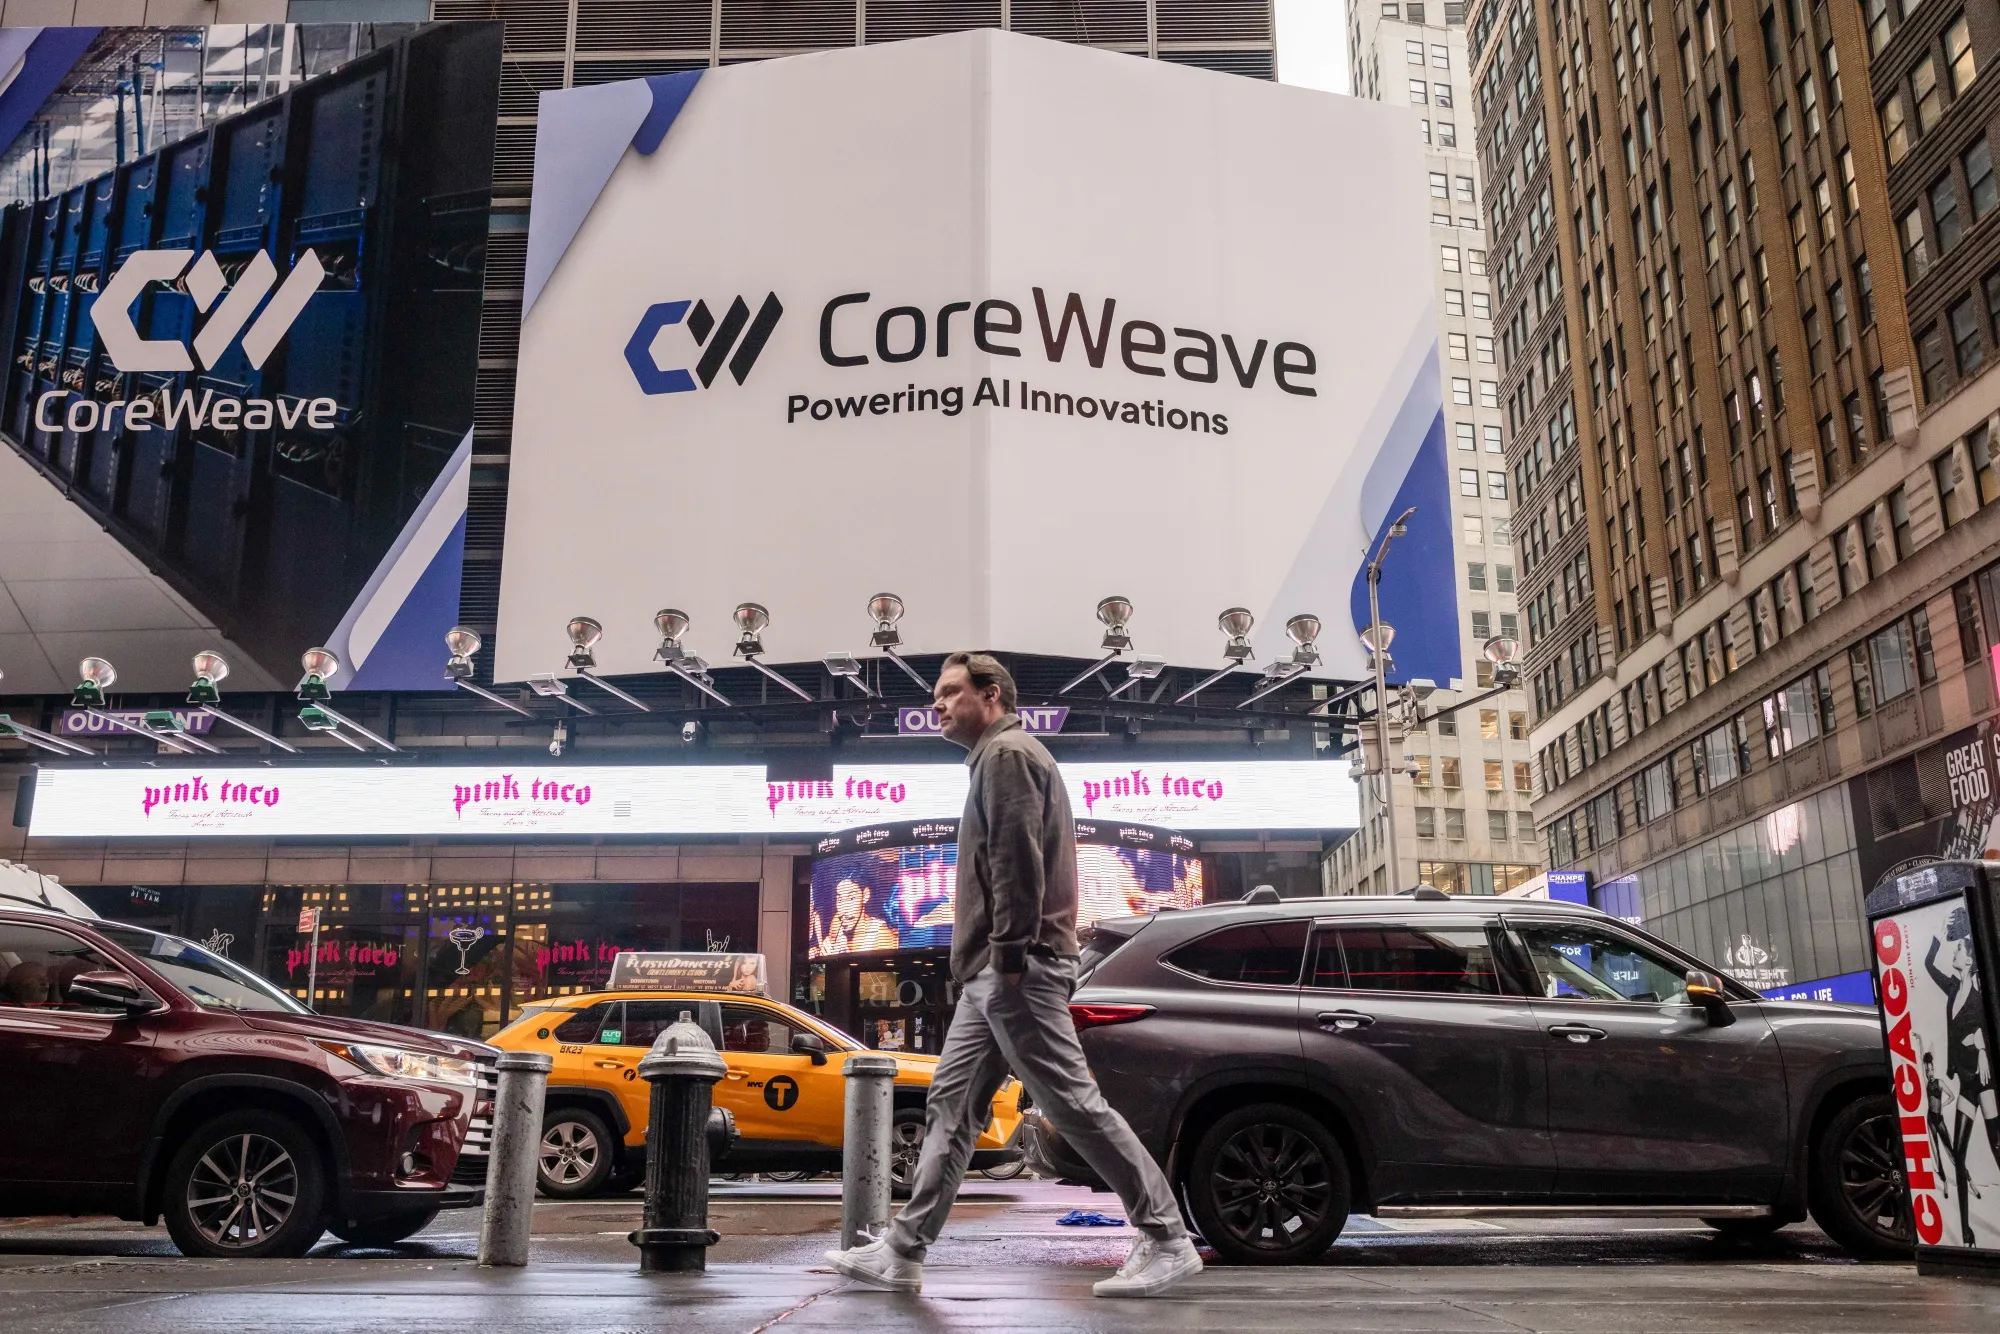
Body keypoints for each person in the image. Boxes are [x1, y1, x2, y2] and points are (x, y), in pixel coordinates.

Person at [825, 652, 1201, 1300]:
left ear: (991, 695)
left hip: (1016, 969)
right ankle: (903, 1251)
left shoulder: (1007, 758)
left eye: (950, 693)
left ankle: (1167, 1237)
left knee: (1072, 1106)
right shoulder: (996, 761)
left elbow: (1016, 862)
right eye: (937, 695)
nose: (938, 705)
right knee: (952, 1104)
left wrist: (1006, 956)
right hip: (993, 975)